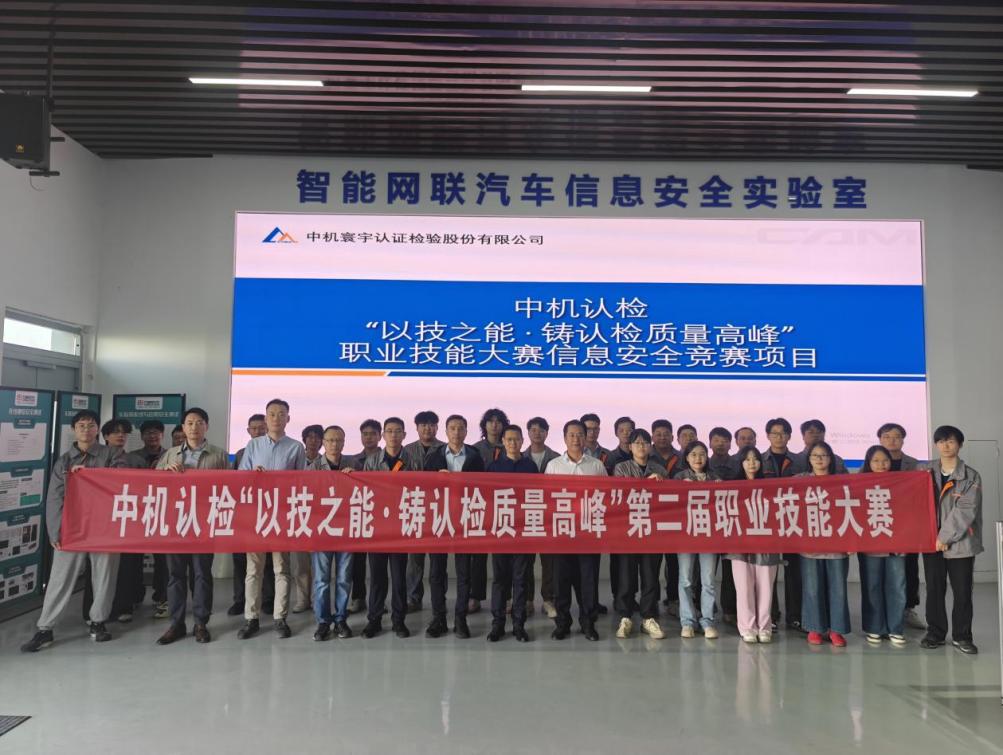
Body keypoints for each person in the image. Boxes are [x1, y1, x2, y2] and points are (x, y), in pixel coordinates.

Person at [22, 410, 125, 652]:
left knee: (104, 577)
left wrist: (89, 475)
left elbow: (121, 480)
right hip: (72, 529)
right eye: (81, 425)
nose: (86, 430)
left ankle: (98, 622)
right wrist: (55, 531)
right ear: (73, 430)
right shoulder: (64, 461)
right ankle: (45, 628)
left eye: (91, 425)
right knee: (60, 579)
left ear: (98, 429)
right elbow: (54, 498)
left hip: (104, 528)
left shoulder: (112, 454)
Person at [154, 407, 230, 646]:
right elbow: (152, 484)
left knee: (201, 574)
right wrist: (165, 472)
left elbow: (229, 488)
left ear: (206, 426)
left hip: (203, 523)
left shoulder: (219, 455)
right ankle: (176, 623)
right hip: (175, 523)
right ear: (183, 427)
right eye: (189, 423)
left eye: (199, 422)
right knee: (175, 575)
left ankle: (200, 623)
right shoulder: (170, 454)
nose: (194, 427)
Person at [236, 398, 307, 640]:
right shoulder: (253, 445)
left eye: (281, 414)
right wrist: (252, 475)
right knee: (253, 570)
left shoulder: (296, 447)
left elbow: (301, 482)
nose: (277, 418)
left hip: (282, 515)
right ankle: (251, 618)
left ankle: (280, 618)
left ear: (288, 418)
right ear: (266, 418)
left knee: (281, 569)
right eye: (272, 414)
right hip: (256, 515)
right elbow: (240, 478)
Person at [422, 414, 485, 639]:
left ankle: (460, 619)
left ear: (466, 432)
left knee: (464, 573)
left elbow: (483, 488)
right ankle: (438, 618)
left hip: (465, 519)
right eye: (452, 428)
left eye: (460, 428)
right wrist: (435, 480)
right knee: (436, 572)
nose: (456, 432)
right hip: (439, 520)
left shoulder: (475, 457)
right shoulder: (434, 457)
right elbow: (423, 488)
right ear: (446, 432)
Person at [921, 425, 981, 655]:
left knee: (962, 591)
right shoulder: (924, 472)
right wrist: (933, 537)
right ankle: (935, 633)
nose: (946, 446)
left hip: (961, 543)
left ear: (960, 445)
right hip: (931, 543)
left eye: (951, 441)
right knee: (934, 589)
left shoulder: (970, 476)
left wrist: (944, 536)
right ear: (936, 444)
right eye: (941, 441)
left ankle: (962, 636)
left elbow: (966, 510)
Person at [546, 419, 607, 641]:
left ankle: (588, 623)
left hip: (588, 533)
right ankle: (562, 624)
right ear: (564, 438)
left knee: (588, 582)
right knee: (561, 581)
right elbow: (547, 499)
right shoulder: (553, 465)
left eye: (580, 434)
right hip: (562, 533)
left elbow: (605, 497)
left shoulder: (596, 466)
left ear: (586, 437)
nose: (576, 439)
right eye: (571, 435)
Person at [356, 416, 413, 639]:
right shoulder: (372, 461)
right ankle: (374, 620)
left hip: (401, 527)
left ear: (404, 435)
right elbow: (364, 491)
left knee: (399, 578)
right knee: (377, 578)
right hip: (378, 528)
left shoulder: (412, 460)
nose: (393, 435)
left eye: (398, 431)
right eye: (389, 431)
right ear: (383, 435)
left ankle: (399, 621)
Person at [486, 424, 539, 642]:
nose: (513, 443)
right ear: (503, 442)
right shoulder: (494, 467)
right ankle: (498, 624)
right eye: (509, 439)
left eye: (516, 439)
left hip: (523, 531)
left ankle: (519, 625)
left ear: (522, 441)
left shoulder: (530, 466)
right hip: (500, 531)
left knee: (520, 580)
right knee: (500, 580)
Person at [612, 429, 666, 640]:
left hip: (652, 531)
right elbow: (620, 494)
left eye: (645, 443)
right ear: (630, 447)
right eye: (637, 443)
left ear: (650, 446)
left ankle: (648, 617)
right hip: (628, 531)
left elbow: (668, 500)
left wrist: (660, 482)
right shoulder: (621, 467)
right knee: (626, 577)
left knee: (651, 576)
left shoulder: (659, 469)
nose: (641, 446)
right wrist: (645, 483)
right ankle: (625, 616)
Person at [798, 441, 851, 647]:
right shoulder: (799, 481)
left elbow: (852, 510)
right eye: (815, 456)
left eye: (824, 455)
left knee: (838, 589)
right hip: (809, 545)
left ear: (831, 459)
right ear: (809, 459)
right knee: (812, 588)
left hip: (837, 544)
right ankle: (815, 628)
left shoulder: (841, 482)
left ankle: (836, 629)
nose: (819, 459)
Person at [726, 448, 781, 644]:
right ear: (740, 463)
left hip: (766, 543)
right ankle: (747, 627)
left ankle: (765, 626)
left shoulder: (771, 486)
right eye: (747, 459)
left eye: (755, 459)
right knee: (744, 587)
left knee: (766, 587)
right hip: (739, 544)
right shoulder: (732, 487)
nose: (752, 463)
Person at [856, 445, 907, 646]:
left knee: (897, 586)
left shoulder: (901, 482)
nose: (881, 464)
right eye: (876, 461)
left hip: (897, 544)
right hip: (870, 545)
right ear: (868, 463)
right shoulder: (860, 484)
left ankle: (896, 628)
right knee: (872, 586)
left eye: (885, 460)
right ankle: (874, 627)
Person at [877, 422, 925, 631]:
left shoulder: (914, 465)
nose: (892, 440)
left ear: (903, 440)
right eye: (887, 436)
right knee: (881, 569)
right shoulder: (873, 462)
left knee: (910, 568)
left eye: (896, 436)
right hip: (880, 522)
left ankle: (908, 608)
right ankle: (884, 610)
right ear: (880, 440)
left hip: (907, 525)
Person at [101, 418, 149, 624]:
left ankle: (125, 605)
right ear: (105, 436)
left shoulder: (136, 460)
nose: (120, 435)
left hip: (131, 519)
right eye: (115, 432)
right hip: (104, 521)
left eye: (124, 432)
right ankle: (101, 609)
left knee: (130, 565)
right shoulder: (96, 459)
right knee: (104, 568)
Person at [310, 425, 353, 641]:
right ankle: (323, 622)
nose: (334, 444)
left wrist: (354, 478)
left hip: (346, 530)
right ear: (323, 443)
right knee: (321, 580)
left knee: (344, 578)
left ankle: (341, 619)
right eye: (330, 440)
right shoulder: (312, 468)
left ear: (344, 442)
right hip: (322, 531)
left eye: (338, 440)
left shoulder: (353, 465)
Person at [675, 440, 721, 640]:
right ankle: (687, 621)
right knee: (685, 579)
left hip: (709, 536)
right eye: (693, 454)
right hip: (685, 535)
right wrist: (679, 488)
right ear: (686, 457)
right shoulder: (679, 478)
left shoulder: (715, 478)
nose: (698, 458)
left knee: (708, 580)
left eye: (702, 454)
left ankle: (707, 621)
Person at [762, 417, 805, 633]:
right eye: (774, 433)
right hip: (767, 522)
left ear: (789, 436)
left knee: (794, 571)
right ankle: (770, 615)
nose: (779, 437)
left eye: (783, 433)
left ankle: (795, 616)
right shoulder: (759, 460)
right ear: (767, 436)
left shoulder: (801, 461)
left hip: (793, 521)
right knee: (768, 572)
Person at [228, 413, 272, 617]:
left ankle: (268, 599)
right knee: (240, 559)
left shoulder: (273, 451)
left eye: (262, 428)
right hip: (244, 513)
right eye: (254, 428)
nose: (258, 431)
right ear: (248, 431)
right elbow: (232, 483)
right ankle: (240, 600)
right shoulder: (239, 455)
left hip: (269, 512)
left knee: (268, 559)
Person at [402, 410, 445, 613]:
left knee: (438, 560)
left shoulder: (444, 449)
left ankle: (439, 599)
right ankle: (413, 598)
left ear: (437, 428)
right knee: (414, 560)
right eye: (423, 425)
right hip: (414, 509)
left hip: (438, 510)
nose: (427, 428)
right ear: (417, 428)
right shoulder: (406, 451)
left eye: (431, 425)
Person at [347, 418, 383, 615]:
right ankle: (358, 598)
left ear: (380, 436)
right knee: (357, 562)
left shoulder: (388, 459)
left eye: (372, 434)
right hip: (358, 516)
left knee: (378, 565)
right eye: (365, 434)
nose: (368, 437)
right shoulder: (353, 461)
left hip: (381, 517)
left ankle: (378, 601)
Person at [525, 416, 559, 617]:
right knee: (526, 560)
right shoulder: (520, 457)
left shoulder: (556, 458)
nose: (537, 433)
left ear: (547, 433)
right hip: (526, 516)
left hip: (549, 517)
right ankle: (527, 599)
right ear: (528, 433)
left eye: (541, 430)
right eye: (533, 430)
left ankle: (548, 599)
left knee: (549, 561)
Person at [289, 424, 324, 615]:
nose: (313, 440)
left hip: (320, 517)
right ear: (304, 439)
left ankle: (317, 599)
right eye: (310, 437)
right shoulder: (295, 458)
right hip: (299, 515)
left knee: (319, 564)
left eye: (317, 437)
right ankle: (302, 599)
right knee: (301, 563)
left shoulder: (326, 462)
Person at [708, 426, 737, 624]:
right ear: (710, 443)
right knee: (706, 572)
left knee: (730, 571)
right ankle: (706, 609)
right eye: (716, 440)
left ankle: (729, 609)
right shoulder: (703, 463)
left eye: (725, 441)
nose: (720, 444)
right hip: (707, 524)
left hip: (731, 524)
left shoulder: (738, 465)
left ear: (730, 444)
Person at [651, 419, 680, 611]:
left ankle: (673, 599)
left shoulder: (682, 457)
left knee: (674, 562)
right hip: (652, 516)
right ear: (652, 436)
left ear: (672, 436)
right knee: (652, 563)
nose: (662, 437)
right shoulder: (646, 455)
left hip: (676, 516)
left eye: (666, 434)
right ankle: (651, 600)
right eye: (658, 434)